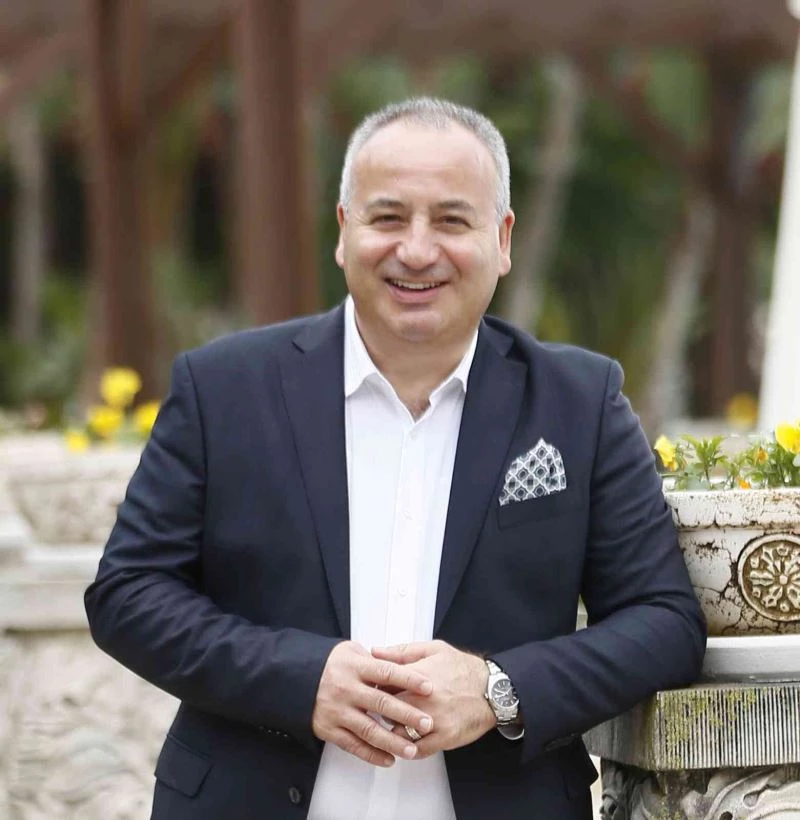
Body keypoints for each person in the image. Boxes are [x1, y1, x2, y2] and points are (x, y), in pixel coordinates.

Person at [85, 97, 706, 820]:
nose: (416, 250)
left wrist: (497, 688)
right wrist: (300, 679)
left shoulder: (579, 401)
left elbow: (664, 621)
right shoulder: (223, 388)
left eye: (451, 220)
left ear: (502, 238)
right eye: (387, 218)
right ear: (344, 231)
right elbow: (128, 592)